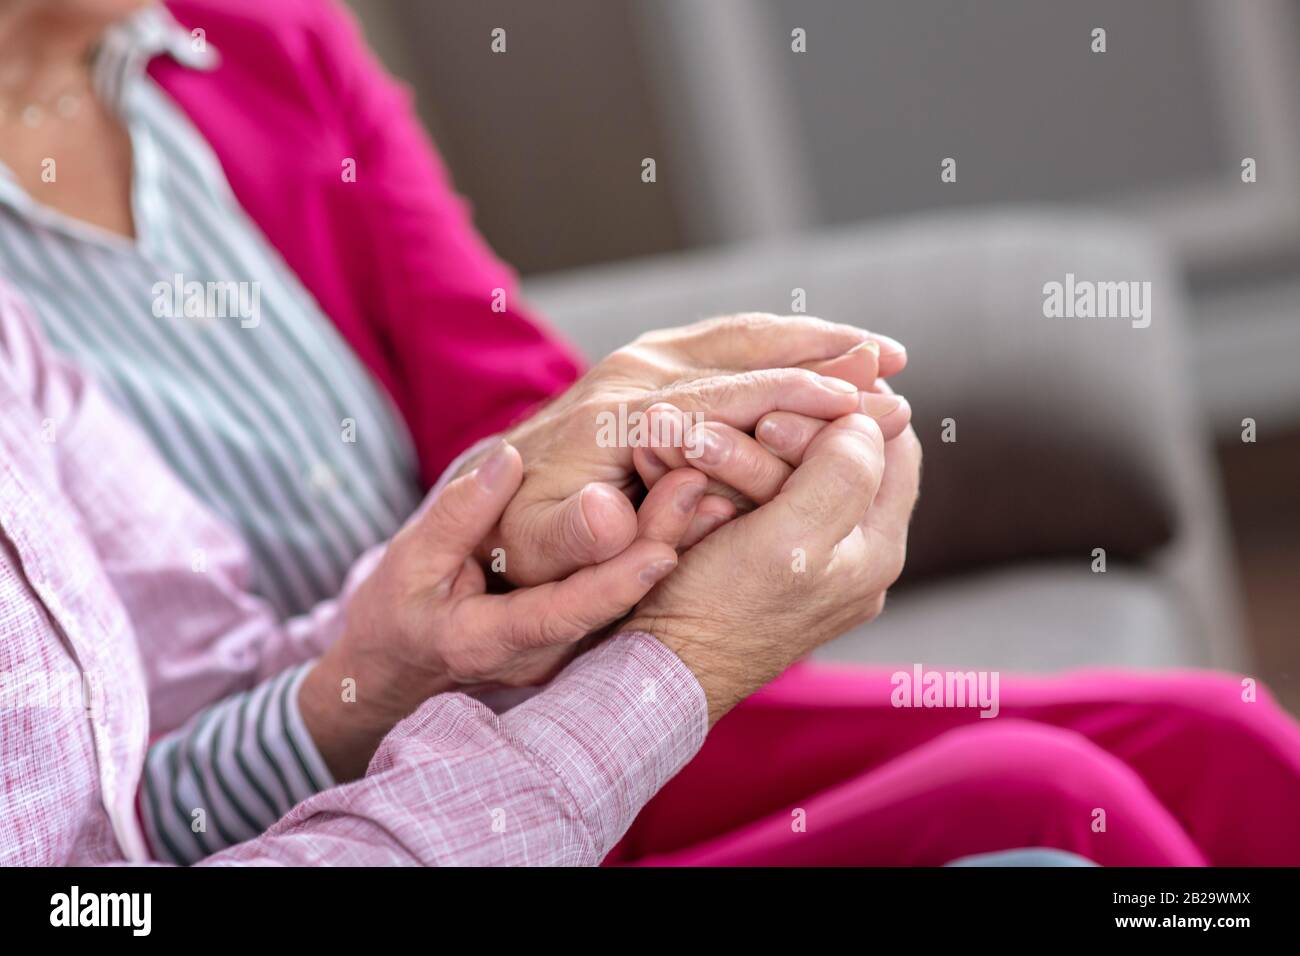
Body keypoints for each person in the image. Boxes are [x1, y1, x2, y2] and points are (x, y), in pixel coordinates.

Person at [2, 0, 1298, 867]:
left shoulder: (263, 40)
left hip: (515, 670)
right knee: (1048, 801)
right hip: (390, 783)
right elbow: (126, 812)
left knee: (1226, 739)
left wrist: (605, 503)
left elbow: (507, 387)